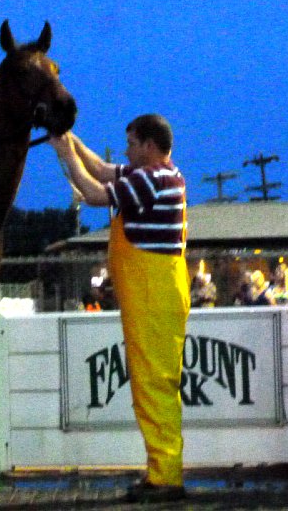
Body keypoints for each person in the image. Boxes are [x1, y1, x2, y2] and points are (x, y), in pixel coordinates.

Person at [49, 113, 189, 504]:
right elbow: (103, 168)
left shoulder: (151, 178)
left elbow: (95, 193)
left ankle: (167, 478)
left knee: (155, 385)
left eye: (130, 143)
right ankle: (160, 471)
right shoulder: (159, 175)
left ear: (148, 145)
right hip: (153, 293)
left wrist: (64, 154)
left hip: (153, 295)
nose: (125, 151)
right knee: (150, 385)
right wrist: (71, 139)